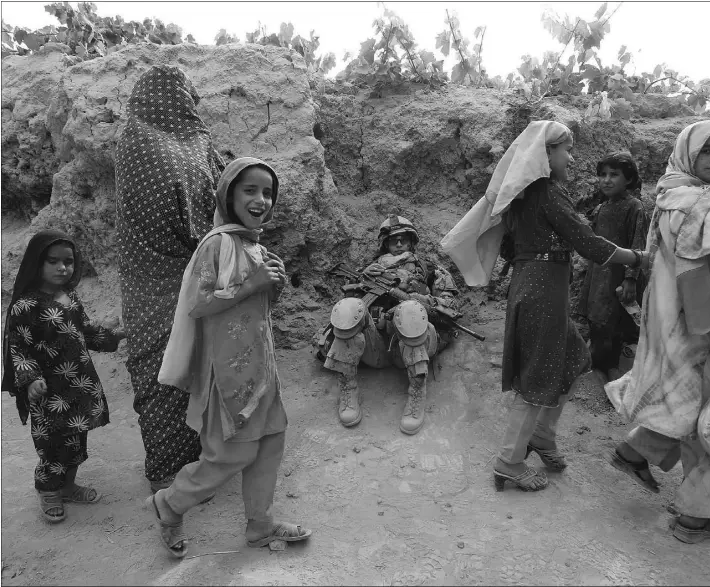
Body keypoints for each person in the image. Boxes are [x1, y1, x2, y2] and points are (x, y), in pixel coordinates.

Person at [441, 120, 649, 492]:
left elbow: (512, 246)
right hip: (542, 293)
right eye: (565, 149)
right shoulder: (548, 192)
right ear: (546, 154)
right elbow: (588, 244)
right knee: (538, 375)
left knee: (573, 357)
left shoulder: (523, 196)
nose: (570, 157)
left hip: (534, 287)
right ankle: (509, 460)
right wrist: (640, 258)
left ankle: (542, 436)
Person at [147, 157, 311, 558]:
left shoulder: (254, 245)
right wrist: (251, 283)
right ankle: (170, 504)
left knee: (270, 444)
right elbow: (197, 304)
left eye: (268, 192)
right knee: (230, 454)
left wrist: (273, 287)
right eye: (250, 190)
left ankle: (260, 525)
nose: (261, 199)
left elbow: (256, 309)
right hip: (227, 375)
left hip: (262, 370)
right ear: (229, 194)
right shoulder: (217, 243)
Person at [605, 121, 710, 544]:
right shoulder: (705, 207)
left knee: (683, 406)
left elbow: (659, 262)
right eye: (709, 151)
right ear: (690, 154)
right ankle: (695, 519)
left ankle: (633, 452)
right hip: (698, 330)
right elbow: (698, 277)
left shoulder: (669, 196)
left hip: (667, 325)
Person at [115, 65, 225, 495]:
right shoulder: (197, 145)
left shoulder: (130, 140)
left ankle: (166, 467)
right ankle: (198, 459)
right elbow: (211, 210)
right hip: (190, 271)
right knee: (194, 365)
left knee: (157, 368)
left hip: (143, 277)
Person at [2, 230, 126, 523]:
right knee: (51, 445)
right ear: (36, 263)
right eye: (53, 261)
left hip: (78, 384)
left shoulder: (70, 296)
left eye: (68, 261)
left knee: (75, 440)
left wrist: (113, 336)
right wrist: (31, 379)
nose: (62, 268)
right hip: (49, 392)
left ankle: (68, 487)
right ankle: (49, 491)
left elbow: (85, 330)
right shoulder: (25, 306)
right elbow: (18, 348)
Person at [315, 214, 460, 435]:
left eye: (403, 239)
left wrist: (416, 297)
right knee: (347, 306)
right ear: (385, 243)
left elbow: (451, 309)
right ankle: (348, 388)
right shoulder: (369, 270)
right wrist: (363, 281)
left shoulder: (431, 270)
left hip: (411, 348)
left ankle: (417, 392)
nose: (399, 243)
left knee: (409, 311)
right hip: (374, 348)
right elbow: (347, 316)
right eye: (394, 240)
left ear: (412, 241)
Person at [577, 152, 648, 382]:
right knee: (597, 317)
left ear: (628, 179)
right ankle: (596, 358)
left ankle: (612, 366)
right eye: (603, 175)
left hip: (619, 275)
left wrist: (630, 278)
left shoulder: (635, 208)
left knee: (616, 321)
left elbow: (638, 244)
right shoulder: (601, 208)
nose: (606, 180)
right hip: (598, 274)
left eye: (614, 175)